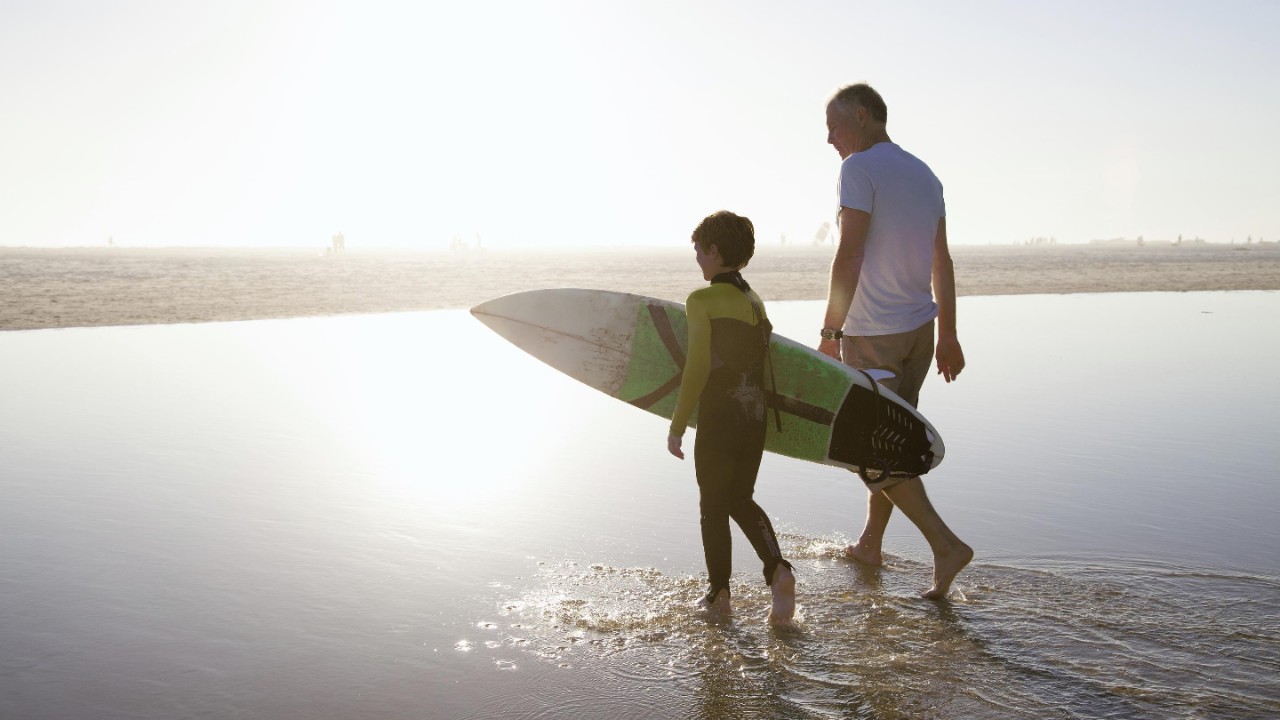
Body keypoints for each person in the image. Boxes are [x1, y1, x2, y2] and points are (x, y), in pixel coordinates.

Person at [819, 83, 973, 599]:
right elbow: (941, 263)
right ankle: (870, 543)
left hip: (873, 332)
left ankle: (945, 544)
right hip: (918, 335)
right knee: (890, 442)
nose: (829, 139)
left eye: (834, 126)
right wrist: (948, 333)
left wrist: (830, 332)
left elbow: (850, 256)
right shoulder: (926, 174)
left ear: (862, 117)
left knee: (872, 451)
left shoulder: (857, 169)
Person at [667, 211, 796, 624]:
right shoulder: (753, 300)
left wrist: (676, 424)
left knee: (712, 505)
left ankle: (719, 595)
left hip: (720, 418)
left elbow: (698, 368)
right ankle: (777, 570)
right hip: (753, 417)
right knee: (739, 497)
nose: (698, 261)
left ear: (715, 251)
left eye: (700, 252)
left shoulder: (701, 300)